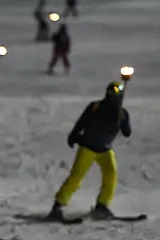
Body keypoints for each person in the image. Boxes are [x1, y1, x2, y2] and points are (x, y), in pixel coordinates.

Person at [46, 81, 132, 221]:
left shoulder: (121, 113)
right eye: (111, 92)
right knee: (76, 177)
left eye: (115, 93)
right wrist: (74, 135)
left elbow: (127, 133)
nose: (112, 96)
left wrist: (123, 121)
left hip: (105, 149)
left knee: (111, 175)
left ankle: (102, 205)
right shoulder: (96, 107)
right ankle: (58, 205)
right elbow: (82, 122)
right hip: (89, 147)